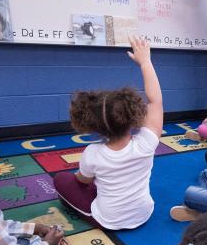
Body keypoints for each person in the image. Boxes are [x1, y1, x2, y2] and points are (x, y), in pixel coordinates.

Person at [53, 36, 163, 230]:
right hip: (144, 213)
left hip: (108, 221)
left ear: (95, 127)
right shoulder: (147, 143)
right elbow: (155, 102)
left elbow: (82, 181)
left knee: (61, 179)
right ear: (133, 116)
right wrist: (145, 62)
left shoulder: (92, 153)